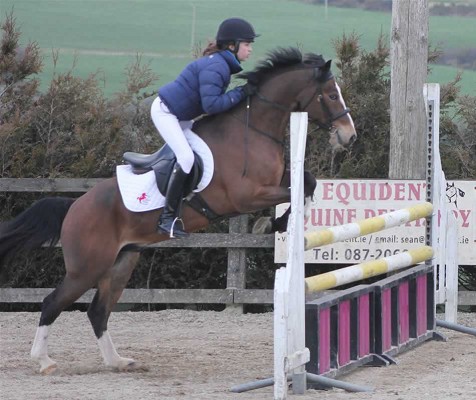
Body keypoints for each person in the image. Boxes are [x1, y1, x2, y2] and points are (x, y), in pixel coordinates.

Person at [151, 17, 260, 238]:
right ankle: (167, 219)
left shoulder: (221, 64)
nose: (250, 49)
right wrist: (240, 92)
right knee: (186, 158)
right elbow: (212, 105)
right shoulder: (217, 66)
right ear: (232, 45)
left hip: (181, 116)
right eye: (247, 44)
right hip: (166, 113)